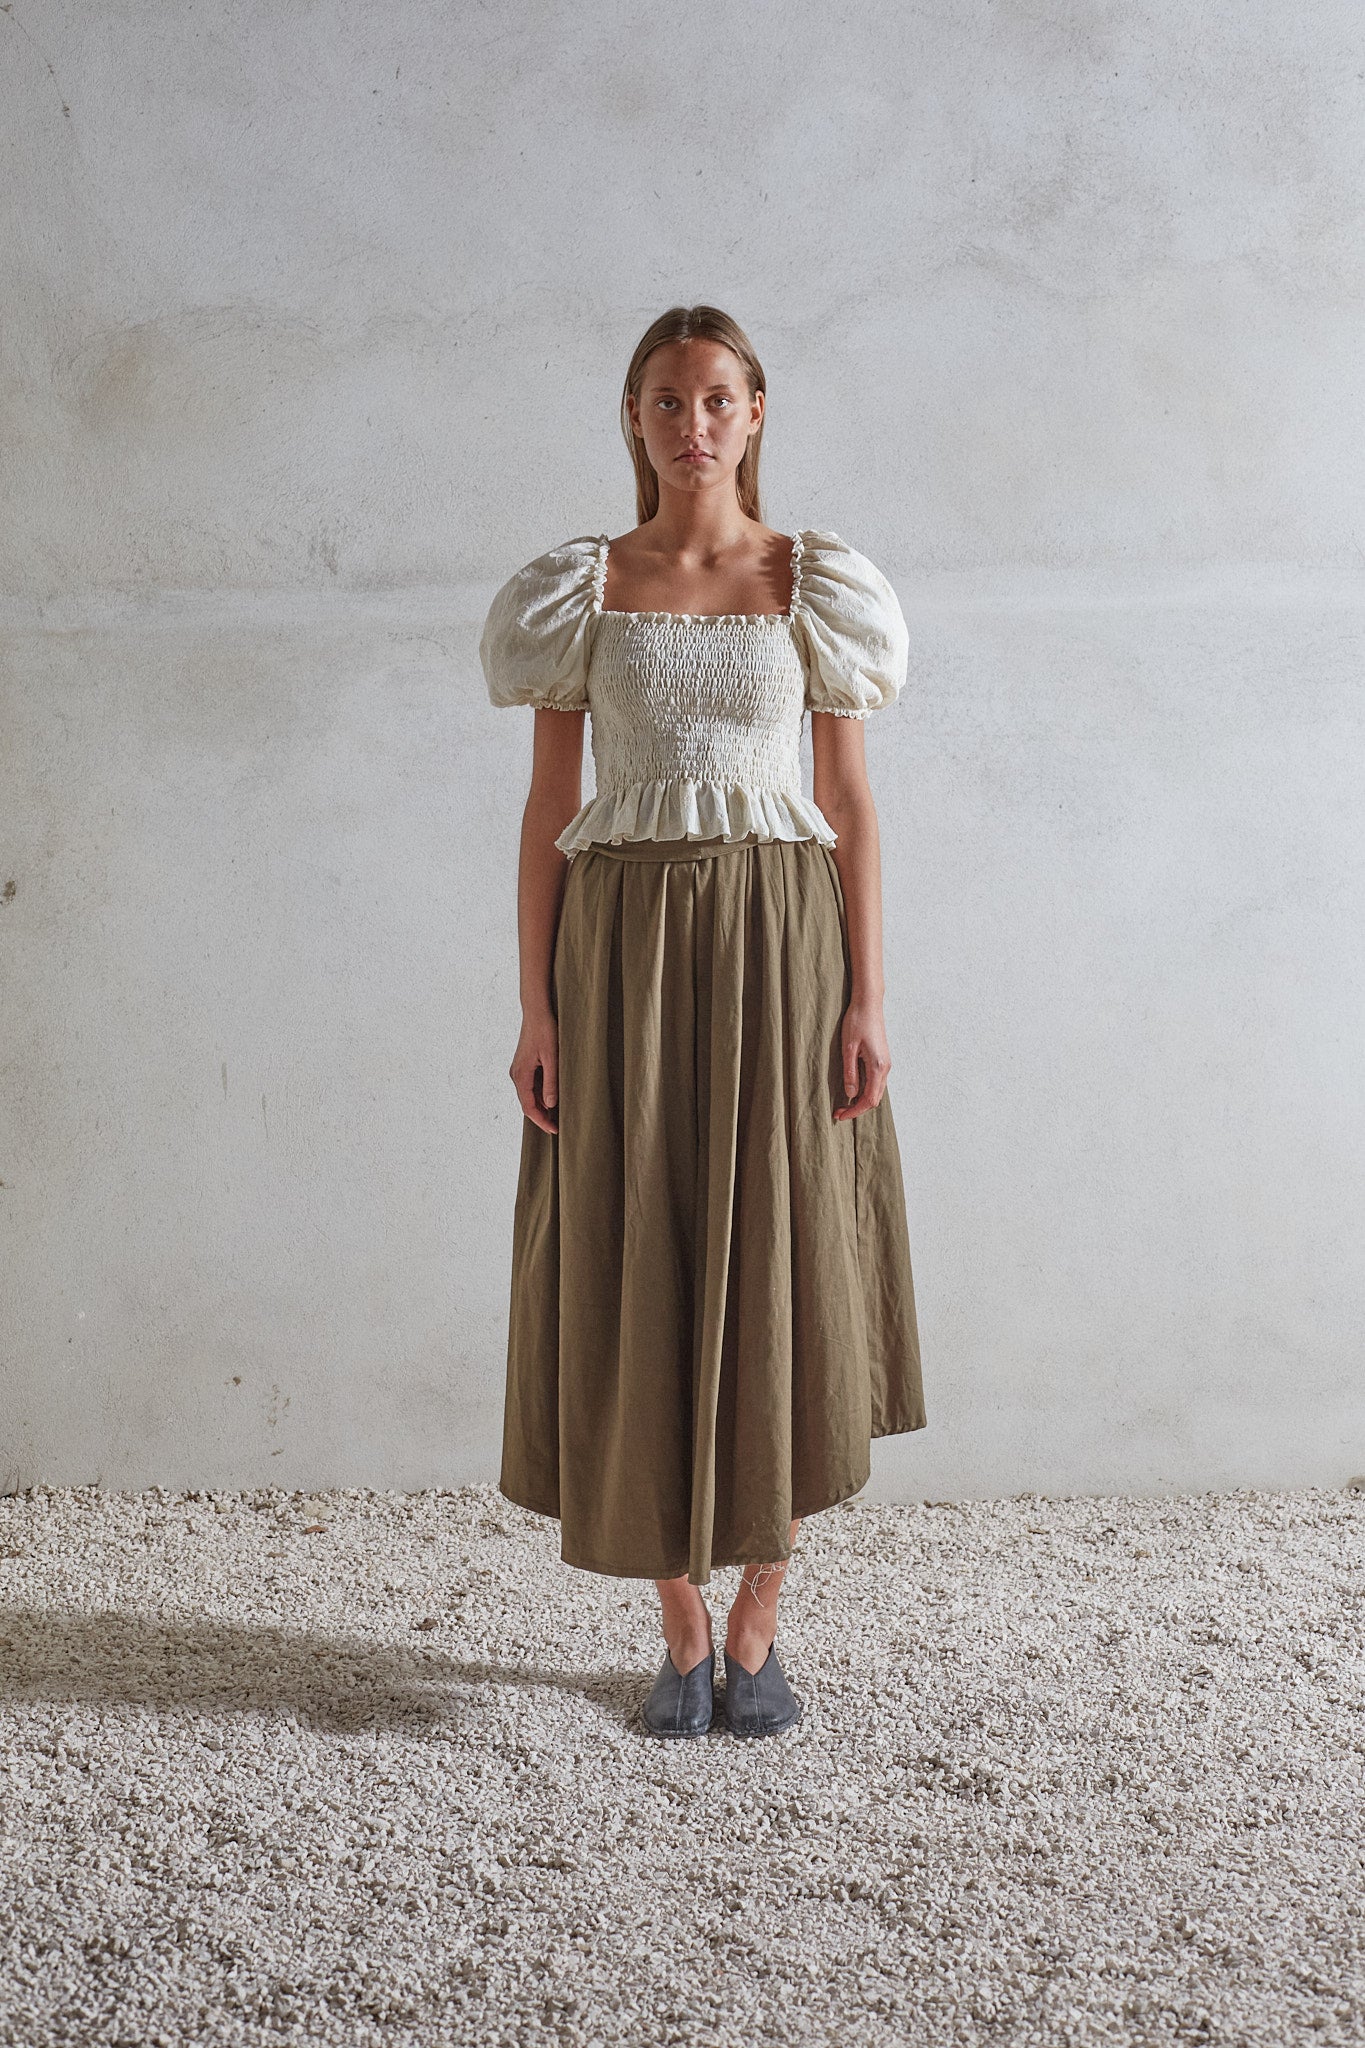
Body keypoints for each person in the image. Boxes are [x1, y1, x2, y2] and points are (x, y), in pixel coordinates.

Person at [479, 304, 926, 1741]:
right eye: (667, 400)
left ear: (756, 413)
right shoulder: (584, 587)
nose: (694, 425)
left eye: (718, 399)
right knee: (636, 1241)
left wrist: (866, 994)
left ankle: (758, 1622)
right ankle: (677, 1623)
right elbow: (548, 809)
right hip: (620, 952)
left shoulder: (812, 583)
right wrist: (536, 1006)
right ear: (633, 416)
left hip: (780, 942)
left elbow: (848, 801)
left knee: (783, 1243)